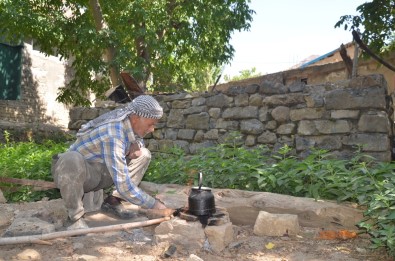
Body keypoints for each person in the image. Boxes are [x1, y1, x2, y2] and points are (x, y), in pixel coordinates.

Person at [51, 95, 168, 230]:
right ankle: (74, 218)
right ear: (136, 118)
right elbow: (124, 185)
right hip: (75, 172)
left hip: (100, 172)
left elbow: (137, 139)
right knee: (71, 159)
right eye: (150, 124)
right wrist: (154, 204)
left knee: (144, 154)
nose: (152, 129)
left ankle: (112, 202)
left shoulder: (129, 125)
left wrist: (137, 144)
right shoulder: (113, 133)